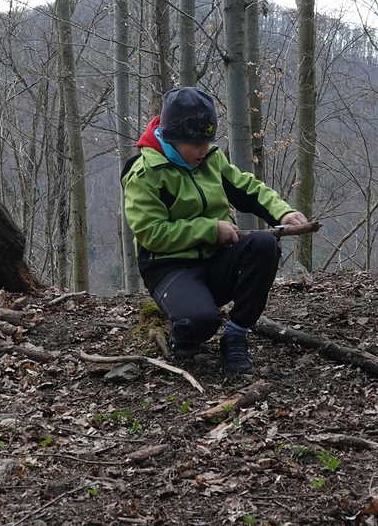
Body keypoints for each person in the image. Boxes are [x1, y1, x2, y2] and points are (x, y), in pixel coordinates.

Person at [121, 87, 308, 374]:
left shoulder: (210, 159)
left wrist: (281, 211)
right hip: (169, 269)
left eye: (208, 141)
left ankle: (236, 335)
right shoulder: (145, 174)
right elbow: (151, 234)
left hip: (216, 259)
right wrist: (210, 229)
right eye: (196, 143)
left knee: (264, 245)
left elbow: (247, 188)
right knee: (200, 322)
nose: (204, 150)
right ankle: (185, 330)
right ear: (173, 137)